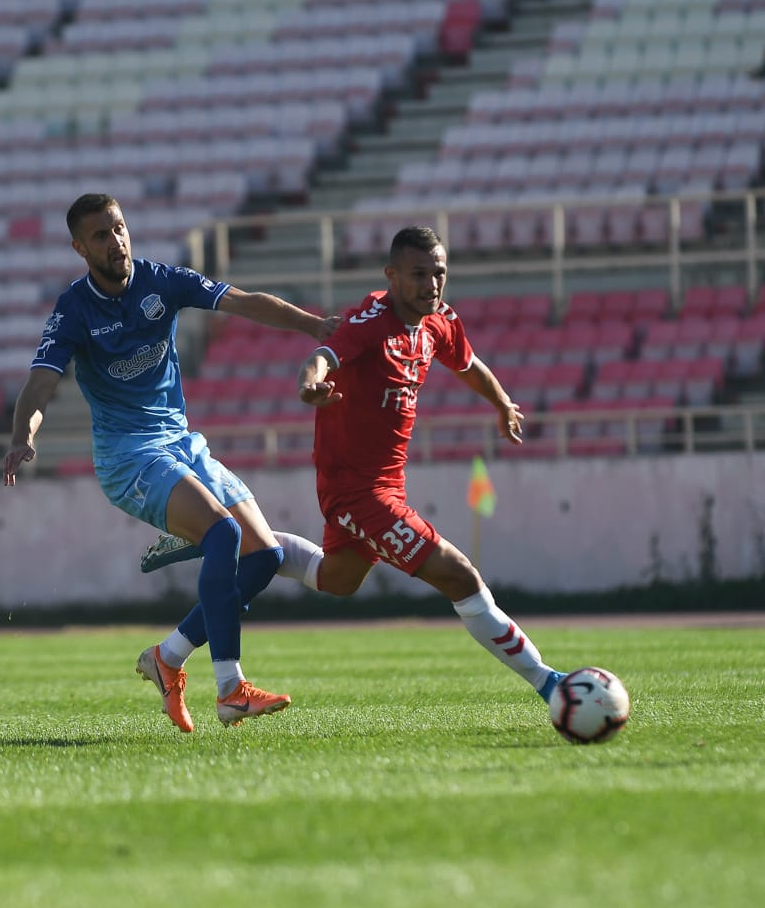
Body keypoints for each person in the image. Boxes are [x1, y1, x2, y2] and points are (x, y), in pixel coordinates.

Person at [146, 226, 568, 705]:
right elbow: (322, 357)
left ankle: (239, 541)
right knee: (459, 576)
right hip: (356, 492)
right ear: (391, 276)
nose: (431, 284)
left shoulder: (439, 322)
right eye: (418, 274)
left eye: (439, 273)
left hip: (386, 485)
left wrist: (501, 402)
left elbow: (467, 364)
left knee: (338, 580)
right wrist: (311, 388)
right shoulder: (371, 321)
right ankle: (550, 684)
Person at [3, 192, 339, 733]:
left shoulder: (162, 280)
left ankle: (169, 655)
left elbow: (244, 301)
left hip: (181, 443)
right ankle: (230, 690)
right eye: (99, 235)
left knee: (265, 557)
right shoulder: (74, 309)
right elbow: (41, 383)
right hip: (128, 456)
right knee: (224, 537)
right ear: (78, 247)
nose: (114, 241)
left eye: (118, 228)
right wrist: (23, 435)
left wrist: (312, 326)